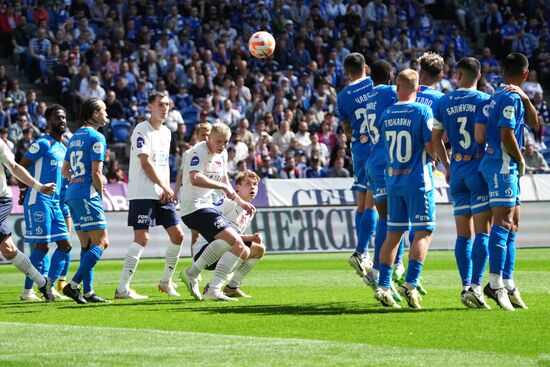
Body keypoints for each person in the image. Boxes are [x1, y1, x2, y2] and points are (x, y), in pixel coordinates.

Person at [478, 53, 538, 311]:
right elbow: (506, 135)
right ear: (526, 74)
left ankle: (508, 281)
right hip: (502, 167)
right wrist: (521, 159)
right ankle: (494, 284)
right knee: (502, 224)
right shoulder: (510, 98)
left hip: (502, 166)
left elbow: (535, 122)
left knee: (513, 225)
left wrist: (526, 98)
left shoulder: (497, 95)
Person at [432, 58, 492, 309]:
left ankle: (465, 284)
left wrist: (446, 166)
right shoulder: (484, 100)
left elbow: (436, 140)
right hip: (478, 170)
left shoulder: (443, 101)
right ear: (479, 76)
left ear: (458, 75)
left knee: (463, 235)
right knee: (483, 233)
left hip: (456, 171)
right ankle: (476, 287)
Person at [374, 69, 436, 309]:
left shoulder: (387, 114)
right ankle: (410, 284)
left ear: (397, 87)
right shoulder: (423, 111)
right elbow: (430, 146)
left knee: (394, 235)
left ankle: (382, 285)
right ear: (418, 89)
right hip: (418, 181)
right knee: (423, 232)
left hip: (393, 180)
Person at [115, 92, 185, 299]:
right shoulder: (141, 129)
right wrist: (164, 186)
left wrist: (166, 187)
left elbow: (163, 164)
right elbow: (145, 163)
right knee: (142, 238)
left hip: (162, 191)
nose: (165, 108)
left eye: (168, 105)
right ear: (150, 106)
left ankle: (166, 282)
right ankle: (122, 289)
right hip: (143, 192)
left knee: (178, 235)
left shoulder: (167, 132)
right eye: (161, 104)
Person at [179, 122, 255, 301]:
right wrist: (221, 185)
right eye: (218, 141)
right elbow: (195, 178)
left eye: (225, 142)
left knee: (232, 243)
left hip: (206, 206)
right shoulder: (199, 150)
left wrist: (240, 201)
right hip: (193, 207)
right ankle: (208, 286)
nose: (221, 146)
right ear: (209, 138)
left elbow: (224, 180)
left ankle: (195, 276)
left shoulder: (222, 154)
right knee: (236, 242)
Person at [18, 104, 73, 301]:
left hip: (56, 203)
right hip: (38, 200)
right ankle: (27, 291)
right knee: (41, 247)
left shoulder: (63, 148)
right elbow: (20, 168)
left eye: (64, 117)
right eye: (58, 118)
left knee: (65, 246)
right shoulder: (42, 143)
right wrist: (25, 191)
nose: (62, 121)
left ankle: (48, 286)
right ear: (48, 122)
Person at [61, 97, 110, 304]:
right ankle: (73, 286)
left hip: (71, 193)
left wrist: (76, 181)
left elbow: (65, 170)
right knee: (102, 242)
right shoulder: (96, 137)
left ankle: (88, 292)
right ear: (95, 114)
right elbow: (97, 172)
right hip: (86, 194)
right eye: (104, 110)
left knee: (87, 244)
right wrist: (100, 193)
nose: (106, 114)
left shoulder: (73, 138)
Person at [362, 60, 403, 303]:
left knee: (385, 220)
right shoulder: (390, 93)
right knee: (395, 221)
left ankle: (382, 268)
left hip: (373, 162)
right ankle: (385, 270)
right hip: (388, 163)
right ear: (390, 75)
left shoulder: (369, 99)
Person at [0, 135, 56, 302]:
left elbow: (15, 167)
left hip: (1, 199)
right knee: (8, 249)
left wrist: (38, 187)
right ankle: (42, 282)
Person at [335, 52, 376, 279]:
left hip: (359, 148)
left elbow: (347, 130)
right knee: (373, 203)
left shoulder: (342, 96)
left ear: (347, 72)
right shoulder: (376, 85)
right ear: (366, 67)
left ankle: (363, 249)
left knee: (362, 201)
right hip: (377, 146)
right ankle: (362, 252)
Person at [195, 171, 264, 299]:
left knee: (259, 249)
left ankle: (232, 287)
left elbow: (236, 235)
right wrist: (250, 238)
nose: (252, 187)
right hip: (206, 251)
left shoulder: (250, 210)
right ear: (237, 187)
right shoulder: (226, 202)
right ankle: (213, 287)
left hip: (227, 250)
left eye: (255, 184)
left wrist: (251, 238)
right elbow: (210, 226)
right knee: (241, 248)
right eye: (248, 184)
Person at [174, 123, 212, 248]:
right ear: (196, 136)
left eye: (208, 135)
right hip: (194, 196)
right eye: (203, 135)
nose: (206, 138)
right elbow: (181, 173)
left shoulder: (217, 154)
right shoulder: (190, 153)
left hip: (211, 196)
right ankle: (195, 264)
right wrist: (175, 192)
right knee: (195, 234)